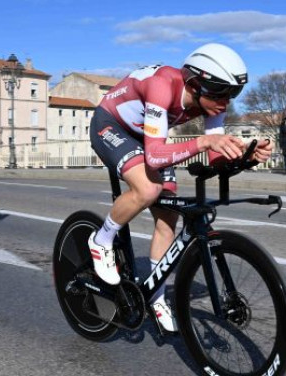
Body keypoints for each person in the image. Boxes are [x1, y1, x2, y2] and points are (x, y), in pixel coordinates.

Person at [87, 43, 272, 333]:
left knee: (168, 218)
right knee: (148, 190)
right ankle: (101, 240)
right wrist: (201, 142)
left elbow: (214, 159)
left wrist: (246, 156)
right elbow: (156, 156)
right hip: (111, 126)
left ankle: (156, 297)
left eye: (232, 94)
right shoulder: (163, 85)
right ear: (196, 84)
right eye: (220, 92)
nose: (226, 102)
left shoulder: (212, 104)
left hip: (150, 139)